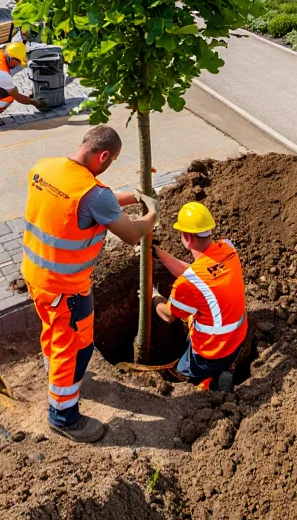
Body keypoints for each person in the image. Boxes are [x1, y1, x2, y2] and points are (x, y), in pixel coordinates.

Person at [22, 126, 157, 443]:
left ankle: (54, 373)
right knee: (75, 348)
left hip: (35, 275)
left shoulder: (44, 168)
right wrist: (152, 213)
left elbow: (96, 203)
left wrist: (134, 196)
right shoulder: (93, 194)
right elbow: (131, 234)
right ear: (104, 155)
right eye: (111, 162)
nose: (108, 167)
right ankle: (63, 416)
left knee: (53, 331)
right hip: (67, 289)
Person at [150, 202, 248, 393]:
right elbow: (198, 272)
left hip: (213, 353)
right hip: (238, 338)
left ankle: (213, 384)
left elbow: (168, 316)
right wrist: (160, 254)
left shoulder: (188, 283)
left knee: (182, 372)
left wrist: (153, 297)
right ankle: (226, 367)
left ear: (187, 237)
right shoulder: (228, 249)